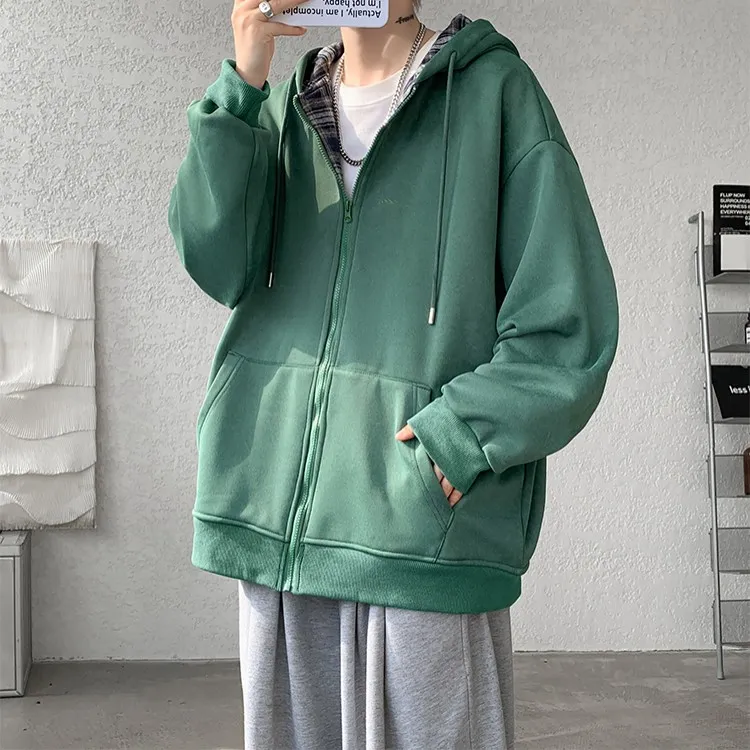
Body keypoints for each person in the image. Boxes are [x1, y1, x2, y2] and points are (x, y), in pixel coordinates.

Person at [167, 0, 619, 747]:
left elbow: (567, 322)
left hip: (417, 530)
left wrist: (461, 435)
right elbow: (217, 265)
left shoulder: (495, 95)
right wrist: (242, 84)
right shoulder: (279, 111)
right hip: (277, 526)